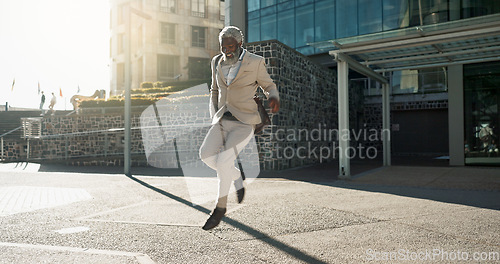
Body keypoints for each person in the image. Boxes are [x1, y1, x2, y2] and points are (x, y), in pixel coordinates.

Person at [199, 26, 280, 230]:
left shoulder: (255, 62)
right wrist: (213, 117)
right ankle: (236, 176)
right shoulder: (216, 62)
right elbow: (214, 90)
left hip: (245, 121)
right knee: (206, 155)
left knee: (225, 158)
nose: (227, 51)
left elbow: (268, 85)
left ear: (240, 44)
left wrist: (274, 97)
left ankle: (219, 209)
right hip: (222, 119)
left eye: (231, 46)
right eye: (223, 47)